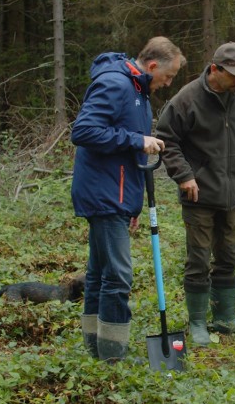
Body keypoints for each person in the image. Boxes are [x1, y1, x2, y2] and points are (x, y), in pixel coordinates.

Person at [71, 37, 185, 363]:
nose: (169, 82)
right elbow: (84, 131)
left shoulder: (138, 91)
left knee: (99, 273)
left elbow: (128, 157)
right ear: (152, 66)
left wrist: (132, 204)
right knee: (118, 276)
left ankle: (97, 348)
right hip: (103, 194)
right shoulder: (116, 85)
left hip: (115, 195)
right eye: (169, 75)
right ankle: (113, 356)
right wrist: (138, 139)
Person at [156, 42, 235, 347]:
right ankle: (199, 323)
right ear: (216, 69)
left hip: (232, 191)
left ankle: (225, 319)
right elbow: (166, 140)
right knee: (199, 259)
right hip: (198, 194)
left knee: (228, 257)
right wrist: (184, 176)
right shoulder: (187, 98)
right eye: (234, 75)